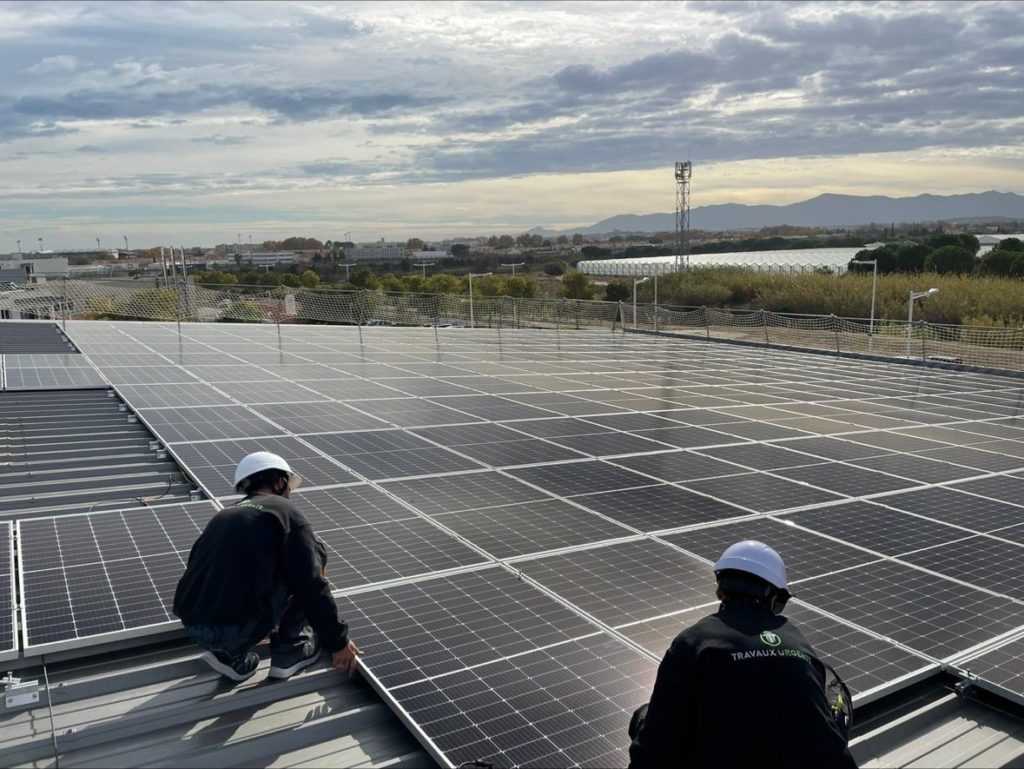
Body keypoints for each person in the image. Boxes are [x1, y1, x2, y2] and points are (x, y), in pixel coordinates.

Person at [628, 540, 857, 769]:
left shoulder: (693, 641)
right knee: (829, 686)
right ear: (774, 599)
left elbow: (654, 744)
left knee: (646, 716)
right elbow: (828, 745)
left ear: (720, 590)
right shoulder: (795, 639)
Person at [173, 451, 362, 682]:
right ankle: (289, 651)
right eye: (288, 487)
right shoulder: (286, 512)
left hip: (194, 625)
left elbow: (198, 568)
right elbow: (311, 583)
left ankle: (231, 657)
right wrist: (338, 641)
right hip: (236, 629)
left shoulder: (225, 515)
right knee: (314, 554)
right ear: (280, 482)